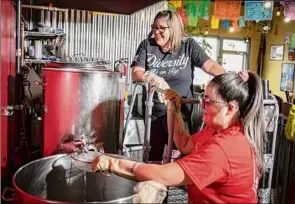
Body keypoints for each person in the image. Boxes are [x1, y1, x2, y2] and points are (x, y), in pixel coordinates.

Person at [91, 71, 265, 203]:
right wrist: (172, 108)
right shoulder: (216, 130)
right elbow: (184, 143)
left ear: (231, 108)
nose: (202, 104)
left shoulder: (225, 148)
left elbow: (163, 176)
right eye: (203, 98)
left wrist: (113, 163)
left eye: (209, 101)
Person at [131, 10, 225, 161]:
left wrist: (231, 79)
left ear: (174, 28)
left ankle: (176, 182)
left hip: (180, 110)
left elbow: (211, 67)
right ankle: (153, 182)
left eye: (161, 28)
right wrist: (153, 77)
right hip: (155, 110)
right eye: (154, 27)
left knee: (179, 153)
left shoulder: (188, 46)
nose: (156, 31)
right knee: (153, 153)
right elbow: (136, 72)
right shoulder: (147, 45)